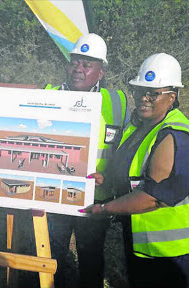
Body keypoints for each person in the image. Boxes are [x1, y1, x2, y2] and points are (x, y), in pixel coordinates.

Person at [82, 53, 189, 288]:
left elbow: (155, 198)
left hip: (175, 248)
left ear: (171, 97)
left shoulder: (175, 136)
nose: (143, 98)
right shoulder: (140, 124)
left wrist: (105, 209)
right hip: (144, 238)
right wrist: (106, 180)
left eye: (153, 93)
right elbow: (132, 169)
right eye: (139, 91)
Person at [45, 33, 129, 288]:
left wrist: (113, 180)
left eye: (86, 64)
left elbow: (125, 149)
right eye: (74, 62)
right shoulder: (48, 94)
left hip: (96, 200)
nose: (78, 69)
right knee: (53, 254)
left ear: (101, 71)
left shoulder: (117, 102)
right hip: (55, 196)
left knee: (91, 257)